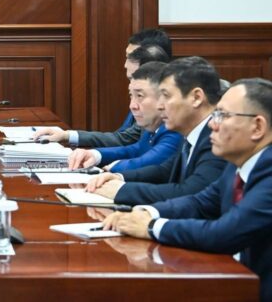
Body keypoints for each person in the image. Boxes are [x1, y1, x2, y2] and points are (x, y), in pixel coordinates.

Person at [103, 78, 272, 300]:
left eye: (222, 115)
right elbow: (200, 202)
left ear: (257, 127)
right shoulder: (238, 164)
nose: (212, 124)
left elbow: (225, 233)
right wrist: (147, 212)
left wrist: (152, 226)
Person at [86, 56, 227, 205]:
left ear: (196, 98)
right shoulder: (192, 133)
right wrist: (120, 178)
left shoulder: (217, 138)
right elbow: (165, 170)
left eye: (166, 96)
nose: (160, 106)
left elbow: (189, 193)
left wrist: (121, 190)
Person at [33, 28, 172, 148]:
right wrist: (69, 136)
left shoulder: (164, 106)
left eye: (130, 58)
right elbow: (123, 137)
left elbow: (127, 142)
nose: (125, 65)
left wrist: (90, 153)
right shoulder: (140, 92)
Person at [67, 62, 181, 172]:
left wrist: (113, 168)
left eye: (140, 96)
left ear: (163, 97)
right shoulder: (153, 125)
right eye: (131, 96)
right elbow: (136, 150)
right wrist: (94, 154)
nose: (132, 106)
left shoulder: (175, 129)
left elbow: (150, 162)